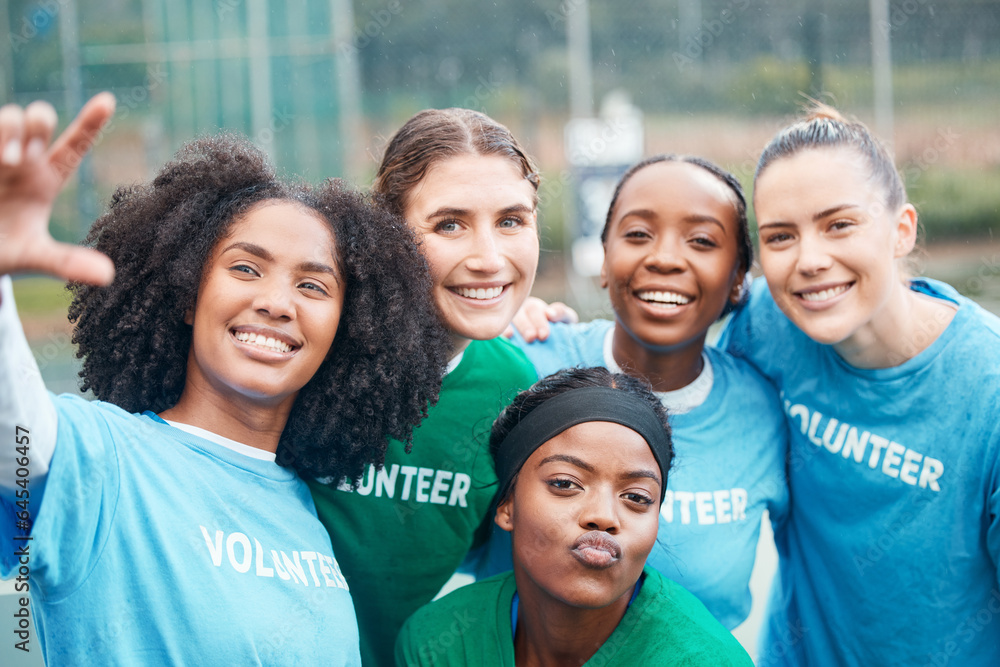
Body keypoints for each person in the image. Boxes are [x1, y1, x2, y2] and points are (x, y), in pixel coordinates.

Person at [0, 94, 451, 664]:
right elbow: (15, 435)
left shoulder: (308, 510)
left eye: (312, 286)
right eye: (245, 268)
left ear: (346, 330)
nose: (276, 303)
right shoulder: (104, 460)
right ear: (189, 295)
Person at [720, 105, 1000, 666]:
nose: (810, 260)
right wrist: (538, 322)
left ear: (902, 230)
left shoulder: (987, 390)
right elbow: (650, 347)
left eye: (839, 224)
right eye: (780, 237)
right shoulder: (763, 328)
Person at [483, 154, 788, 630]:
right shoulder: (522, 362)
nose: (664, 257)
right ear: (604, 260)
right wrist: (494, 323)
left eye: (702, 240)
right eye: (638, 234)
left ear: (737, 281)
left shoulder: (765, 409)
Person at [308, 107, 544, 666]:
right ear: (386, 235)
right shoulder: (312, 349)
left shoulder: (513, 387)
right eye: (449, 224)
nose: (489, 259)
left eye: (512, 220)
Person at [396, 366, 754, 666]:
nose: (603, 516)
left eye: (636, 497)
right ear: (506, 505)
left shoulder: (706, 659)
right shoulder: (438, 644)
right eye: (566, 483)